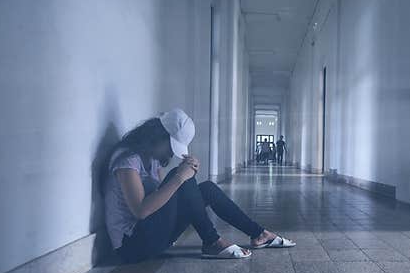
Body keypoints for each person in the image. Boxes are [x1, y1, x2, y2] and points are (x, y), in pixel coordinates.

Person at [104, 108, 296, 261]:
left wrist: (183, 176)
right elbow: (141, 211)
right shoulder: (128, 160)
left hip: (155, 236)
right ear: (158, 136)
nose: (171, 155)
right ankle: (212, 241)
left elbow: (163, 197)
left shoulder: (152, 159)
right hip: (132, 246)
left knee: (206, 189)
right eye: (171, 148)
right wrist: (180, 177)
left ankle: (259, 233)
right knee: (182, 180)